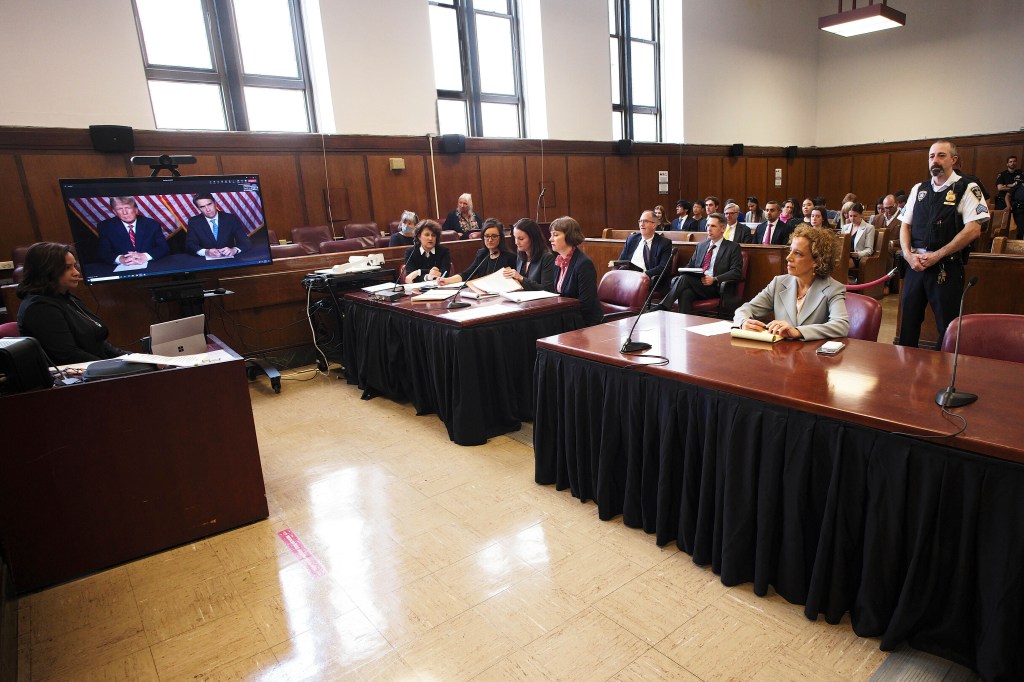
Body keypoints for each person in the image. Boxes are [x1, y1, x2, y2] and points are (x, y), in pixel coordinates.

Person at [898, 140, 988, 348]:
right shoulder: (919, 189)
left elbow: (974, 229)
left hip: (945, 267)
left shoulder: (967, 187)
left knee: (948, 327)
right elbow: (905, 226)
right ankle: (902, 373)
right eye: (931, 156)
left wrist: (937, 255)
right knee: (908, 324)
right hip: (915, 266)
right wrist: (908, 255)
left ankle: (944, 374)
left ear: (954, 160)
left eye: (941, 155)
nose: (934, 161)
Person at [16, 242, 127, 364]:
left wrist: (132, 358)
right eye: (67, 268)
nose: (76, 272)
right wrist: (116, 366)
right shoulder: (39, 308)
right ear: (47, 270)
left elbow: (98, 343)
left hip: (96, 367)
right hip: (75, 376)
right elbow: (69, 355)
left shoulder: (66, 297)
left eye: (74, 266)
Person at [734, 224, 849, 340]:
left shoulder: (833, 288)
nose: (788, 257)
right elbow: (745, 309)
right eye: (790, 250)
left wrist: (798, 332)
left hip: (812, 355)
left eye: (797, 253)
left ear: (817, 260)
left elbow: (841, 325)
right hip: (780, 354)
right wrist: (743, 322)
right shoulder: (778, 283)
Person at [654, 212, 742, 314]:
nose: (709, 229)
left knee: (684, 279)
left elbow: (736, 272)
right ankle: (684, 326)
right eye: (708, 225)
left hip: (717, 287)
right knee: (685, 293)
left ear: (723, 228)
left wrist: (714, 279)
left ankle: (663, 306)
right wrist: (686, 271)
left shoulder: (733, 247)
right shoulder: (701, 246)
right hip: (698, 284)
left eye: (713, 226)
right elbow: (690, 266)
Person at [548, 216, 602, 326]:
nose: (550, 239)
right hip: (566, 318)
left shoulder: (583, 263)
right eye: (551, 235)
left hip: (584, 322)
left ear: (569, 236)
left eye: (555, 235)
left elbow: (586, 304)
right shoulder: (559, 261)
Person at [610, 210, 673, 292]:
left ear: (654, 225)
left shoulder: (664, 243)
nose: (641, 224)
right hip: (627, 277)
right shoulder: (631, 239)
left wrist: (644, 274)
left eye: (645, 221)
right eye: (640, 221)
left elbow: (664, 268)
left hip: (647, 279)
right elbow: (621, 260)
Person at [96, 196, 169, 266]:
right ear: (114, 212)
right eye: (119, 209)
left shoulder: (152, 225)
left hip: (150, 266)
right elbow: (103, 253)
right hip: (122, 269)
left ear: (136, 209)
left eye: (127, 208)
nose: (125, 212)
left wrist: (145, 256)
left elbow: (163, 247)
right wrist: (120, 259)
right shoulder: (105, 227)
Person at [439, 219, 516, 285]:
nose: (490, 240)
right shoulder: (482, 254)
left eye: (494, 236)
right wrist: (446, 280)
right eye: (487, 236)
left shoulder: (510, 257)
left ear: (501, 237)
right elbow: (466, 274)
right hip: (483, 297)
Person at [185, 193, 251, 258]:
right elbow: (190, 245)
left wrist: (234, 250)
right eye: (202, 207)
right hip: (205, 263)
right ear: (198, 208)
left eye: (209, 204)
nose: (208, 209)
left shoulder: (230, 218)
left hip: (229, 260)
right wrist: (206, 252)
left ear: (215, 203)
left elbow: (245, 242)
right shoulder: (194, 222)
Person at [503, 218, 555, 291]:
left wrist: (521, 278)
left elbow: (547, 289)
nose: (516, 242)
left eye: (521, 239)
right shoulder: (521, 254)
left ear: (533, 238)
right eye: (515, 238)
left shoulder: (547, 257)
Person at [845, 203, 876, 271]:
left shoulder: (869, 228)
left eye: (855, 216)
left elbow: (869, 250)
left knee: (840, 265)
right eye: (850, 216)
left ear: (861, 214)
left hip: (858, 258)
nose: (852, 218)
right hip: (845, 256)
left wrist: (858, 254)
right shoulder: (845, 227)